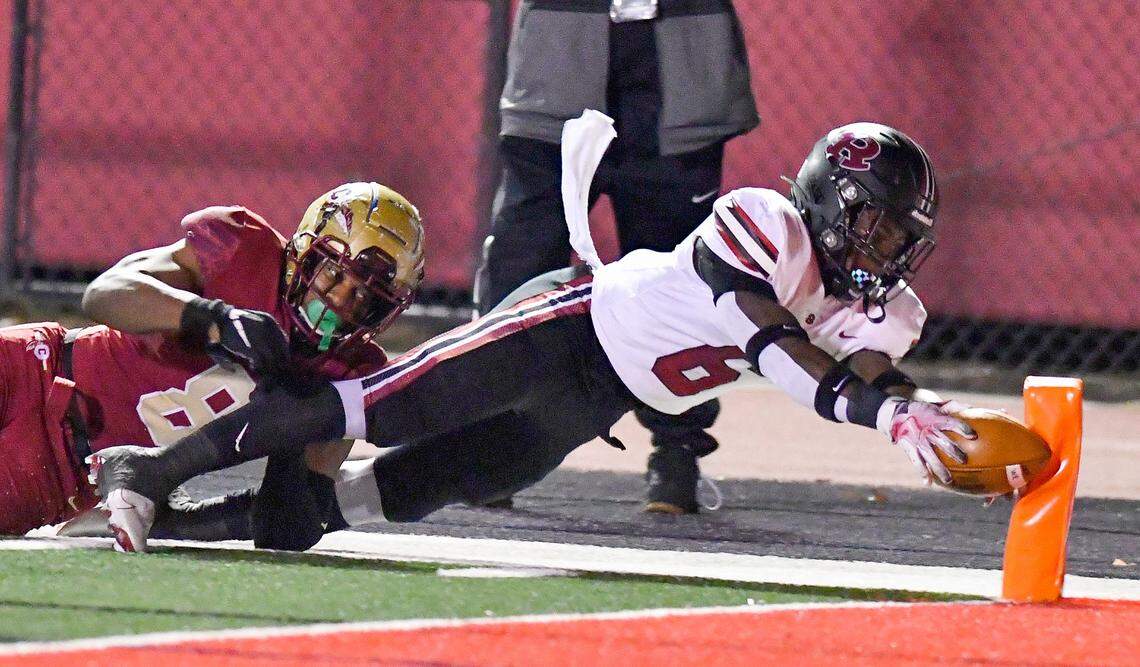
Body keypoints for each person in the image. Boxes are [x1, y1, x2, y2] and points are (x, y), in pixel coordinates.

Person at [91, 119, 976, 553]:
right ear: (835, 205)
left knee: (438, 480)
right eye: (883, 230)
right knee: (386, 408)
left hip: (605, 393)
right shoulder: (765, 225)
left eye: (904, 240)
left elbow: (863, 373)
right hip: (570, 325)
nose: (890, 254)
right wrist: (880, 416)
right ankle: (149, 470)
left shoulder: (888, 310)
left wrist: (922, 415)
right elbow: (781, 348)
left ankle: (186, 524)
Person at [0, 182, 424, 549]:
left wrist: (178, 520)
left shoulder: (349, 373)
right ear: (304, 253)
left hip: (57, 479)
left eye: (364, 298)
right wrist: (213, 319)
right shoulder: (243, 248)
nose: (338, 301)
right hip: (34, 372)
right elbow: (105, 292)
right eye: (334, 274)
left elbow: (292, 516)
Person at [474, 0, 760, 513]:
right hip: (562, 47)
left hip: (679, 52)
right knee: (521, 263)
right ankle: (488, 444)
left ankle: (677, 452)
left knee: (682, 273)